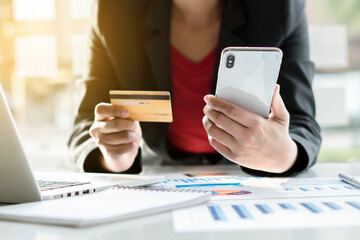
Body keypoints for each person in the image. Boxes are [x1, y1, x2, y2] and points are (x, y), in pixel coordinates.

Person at [68, 0, 321, 176]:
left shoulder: (279, 8)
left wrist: (283, 157)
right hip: (157, 173)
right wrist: (114, 159)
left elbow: (301, 123)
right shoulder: (113, 10)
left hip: (247, 178)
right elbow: (87, 122)